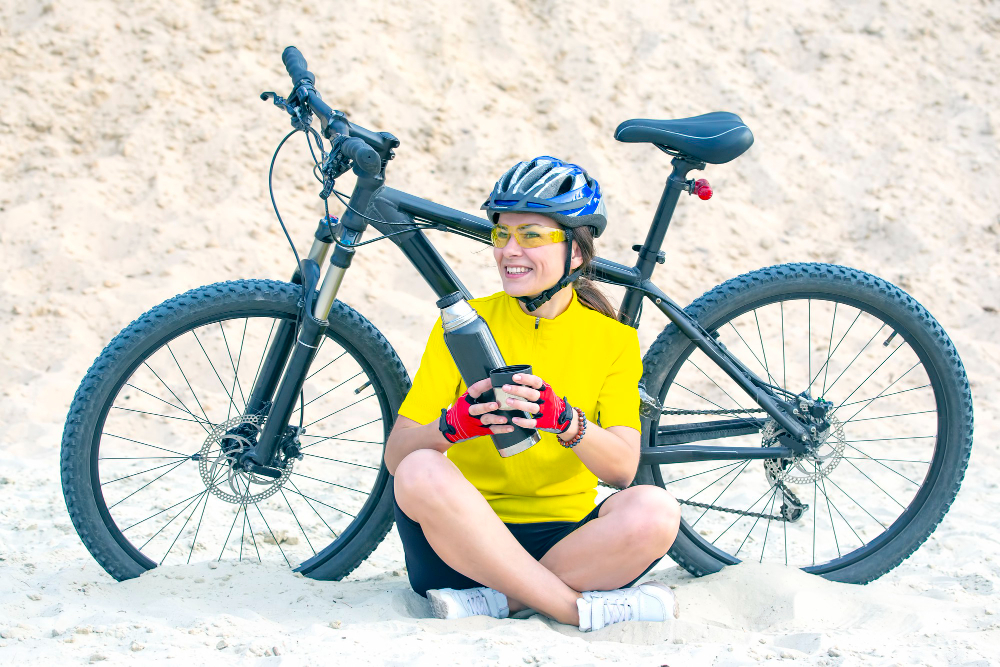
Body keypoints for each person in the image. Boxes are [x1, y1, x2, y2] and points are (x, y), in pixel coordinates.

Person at [384, 156, 681, 632]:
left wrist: (565, 420)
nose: (509, 250)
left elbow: (623, 469)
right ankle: (570, 608)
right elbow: (397, 457)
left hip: (568, 541)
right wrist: (452, 426)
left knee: (656, 510)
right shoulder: (464, 325)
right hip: (460, 544)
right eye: (502, 234)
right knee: (420, 466)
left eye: (531, 235)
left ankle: (502, 600)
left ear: (577, 253)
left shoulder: (614, 340)